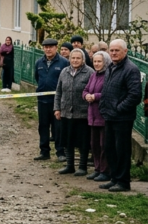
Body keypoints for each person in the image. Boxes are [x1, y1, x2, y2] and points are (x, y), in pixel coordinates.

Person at [98, 39, 140, 192]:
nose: (114, 53)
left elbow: (135, 95)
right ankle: (114, 178)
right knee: (110, 149)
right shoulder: (111, 67)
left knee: (122, 150)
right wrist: (104, 107)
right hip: (109, 116)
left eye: (117, 50)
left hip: (122, 118)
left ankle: (123, 181)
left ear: (125, 51)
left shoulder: (131, 69)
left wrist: (118, 108)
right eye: (112, 50)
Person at [54, 49, 91, 175]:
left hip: (82, 114)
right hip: (66, 112)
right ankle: (70, 166)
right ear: (69, 59)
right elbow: (58, 91)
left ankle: (82, 167)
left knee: (82, 142)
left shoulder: (89, 72)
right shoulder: (64, 71)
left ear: (83, 60)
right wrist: (57, 108)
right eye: (73, 58)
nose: (75, 60)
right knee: (67, 140)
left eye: (78, 58)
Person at [34, 38, 67, 161]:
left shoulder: (64, 63)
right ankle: (44, 152)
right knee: (43, 126)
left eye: (51, 47)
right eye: (46, 47)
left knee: (58, 127)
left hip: (57, 101)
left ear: (56, 48)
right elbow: (37, 77)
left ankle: (60, 152)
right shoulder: (39, 62)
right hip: (42, 100)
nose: (48, 49)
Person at [83, 51, 109, 182]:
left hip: (103, 115)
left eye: (99, 61)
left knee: (103, 145)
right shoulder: (93, 75)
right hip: (92, 115)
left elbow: (108, 93)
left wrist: (95, 96)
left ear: (105, 62)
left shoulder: (108, 75)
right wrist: (86, 95)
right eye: (95, 61)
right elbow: (85, 89)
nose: (97, 64)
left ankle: (105, 170)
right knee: (94, 145)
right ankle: (97, 168)